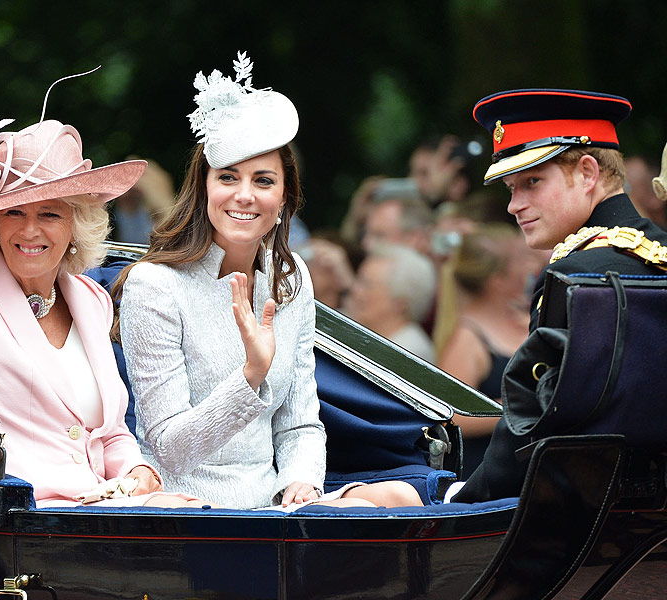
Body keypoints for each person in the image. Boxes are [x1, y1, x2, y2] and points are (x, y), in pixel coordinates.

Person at [113, 52, 422, 510]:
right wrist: (251, 375)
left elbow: (300, 423)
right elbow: (168, 447)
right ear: (203, 189)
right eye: (228, 178)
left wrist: (301, 483)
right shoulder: (155, 286)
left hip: (273, 503)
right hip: (186, 505)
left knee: (403, 496)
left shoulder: (291, 276)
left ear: (284, 197)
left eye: (262, 180)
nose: (244, 195)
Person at [0, 98, 206, 509]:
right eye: (13, 212)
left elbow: (109, 433)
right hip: (4, 522)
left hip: (97, 511)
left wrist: (137, 471)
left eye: (49, 214)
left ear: (76, 226)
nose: (29, 230)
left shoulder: (91, 299)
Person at [449, 88, 667, 503]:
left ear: (588, 173)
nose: (514, 205)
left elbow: (533, 427)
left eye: (532, 182)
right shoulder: (659, 252)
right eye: (511, 188)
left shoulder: (571, 273)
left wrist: (462, 502)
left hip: (577, 523)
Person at [436, 224, 533, 477]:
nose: (530, 267)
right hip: (491, 475)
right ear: (497, 280)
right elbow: (453, 418)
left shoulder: (528, 317)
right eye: (520, 260)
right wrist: (522, 409)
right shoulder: (467, 337)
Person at [342, 244, 437, 362]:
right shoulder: (348, 324)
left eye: (367, 285)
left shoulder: (410, 353)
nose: (355, 290)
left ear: (400, 304)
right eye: (359, 280)